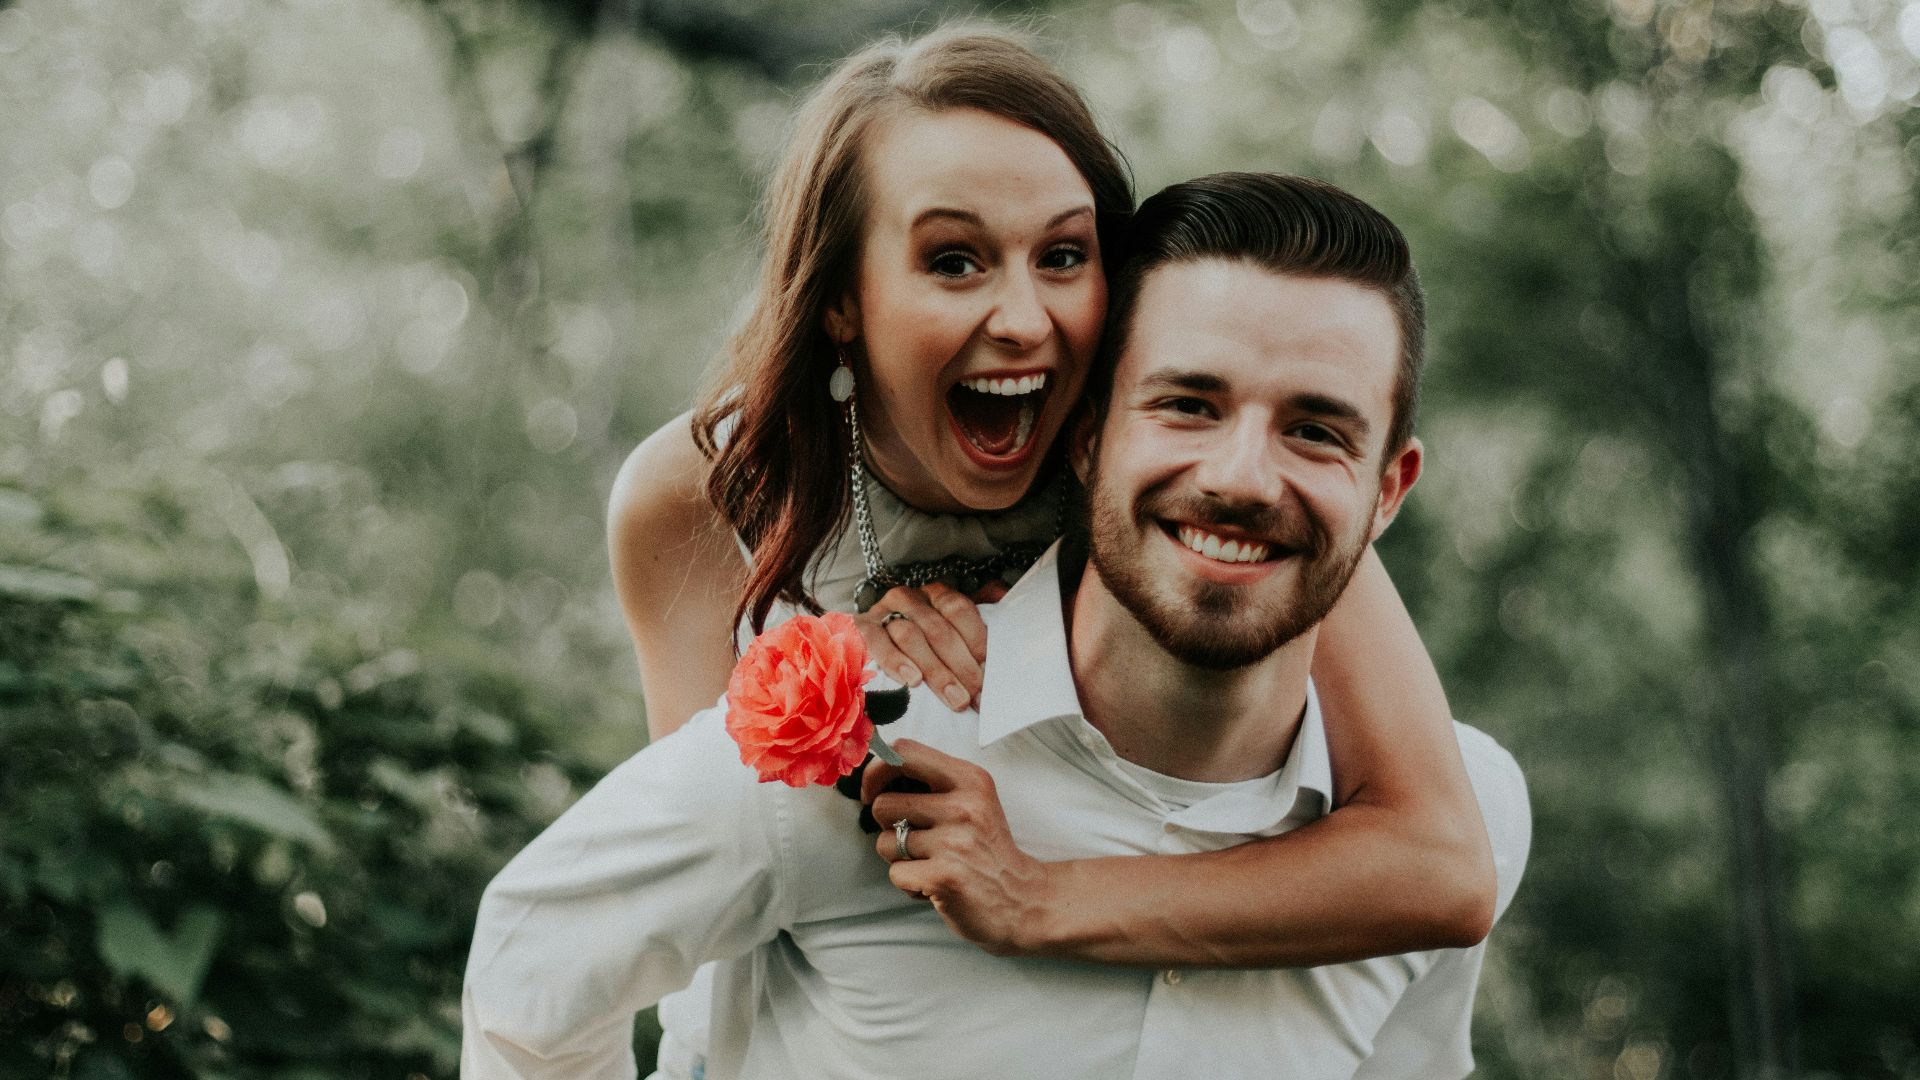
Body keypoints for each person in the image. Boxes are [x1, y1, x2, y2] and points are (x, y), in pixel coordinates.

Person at [464, 172, 1530, 1079]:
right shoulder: (851, 759)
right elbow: (530, 973)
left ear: (1390, 490)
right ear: (1083, 436)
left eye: (1316, 430)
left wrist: (1041, 897)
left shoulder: (1464, 811)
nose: (1241, 478)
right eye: (1188, 406)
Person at [608, 26, 1492, 968]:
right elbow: (707, 885)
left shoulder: (1198, 481)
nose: (1026, 321)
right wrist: (836, 683)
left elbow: (1440, 861)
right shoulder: (698, 496)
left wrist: (1038, 895)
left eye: (1065, 256)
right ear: (841, 298)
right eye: (954, 261)